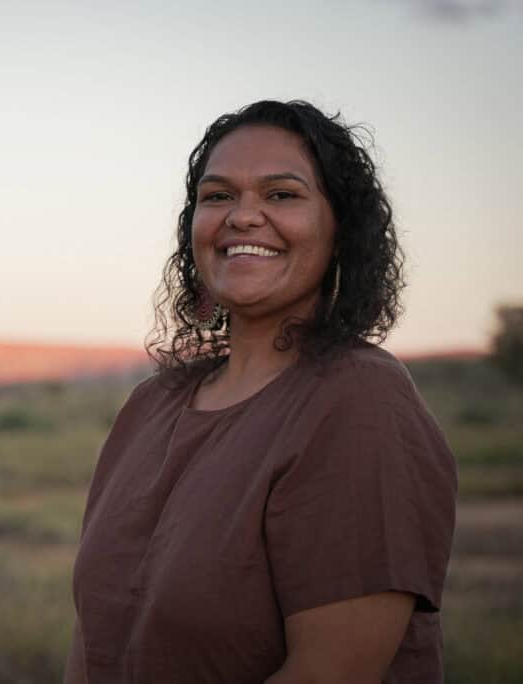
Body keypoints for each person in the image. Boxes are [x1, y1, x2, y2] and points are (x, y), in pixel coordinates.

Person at [65, 100, 458, 683]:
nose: (243, 217)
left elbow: (332, 673)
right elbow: (92, 642)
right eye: (218, 196)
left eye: (281, 194)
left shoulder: (358, 401)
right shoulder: (150, 406)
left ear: (340, 228)